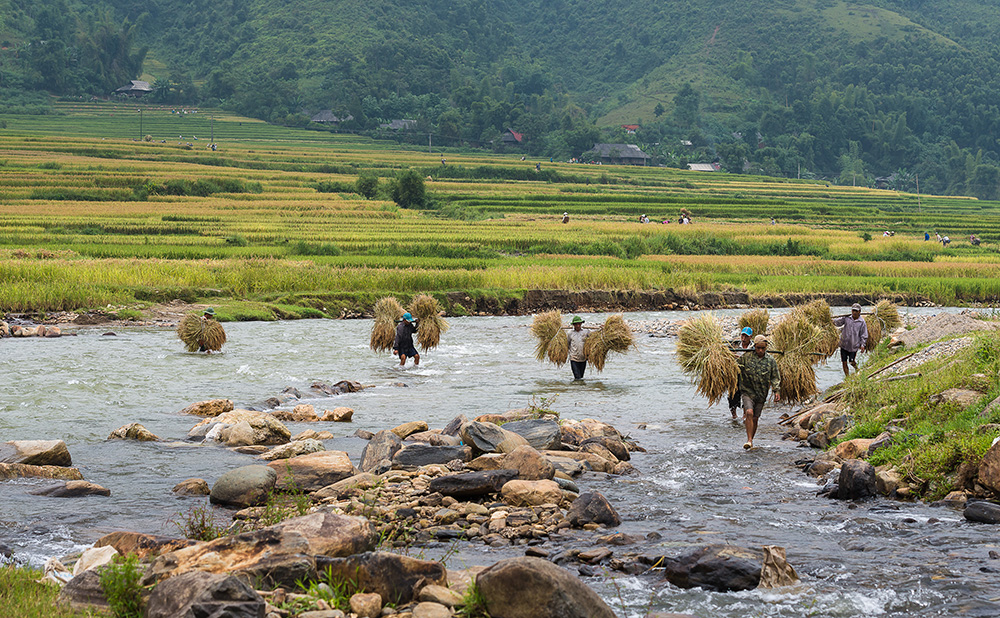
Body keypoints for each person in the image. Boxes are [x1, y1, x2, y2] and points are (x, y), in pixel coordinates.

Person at [736, 335, 781, 450]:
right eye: (758, 348)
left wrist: (776, 391)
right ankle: (749, 440)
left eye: (763, 348)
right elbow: (735, 367)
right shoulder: (746, 357)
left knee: (755, 418)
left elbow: (775, 377)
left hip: (761, 393)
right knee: (749, 412)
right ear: (754, 347)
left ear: (766, 347)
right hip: (747, 391)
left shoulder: (770, 361)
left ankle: (751, 439)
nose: (760, 350)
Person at [833, 303, 868, 377]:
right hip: (844, 344)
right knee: (844, 362)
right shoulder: (847, 318)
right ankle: (847, 377)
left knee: (851, 361)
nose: (854, 312)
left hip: (853, 346)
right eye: (853, 310)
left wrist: (863, 345)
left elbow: (864, 334)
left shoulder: (862, 322)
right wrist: (830, 320)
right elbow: (838, 322)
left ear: (859, 312)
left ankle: (857, 369)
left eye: (856, 311)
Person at [728, 327, 754, 419]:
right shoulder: (734, 345)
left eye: (746, 336)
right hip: (735, 373)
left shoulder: (754, 347)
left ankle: (744, 415)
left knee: (746, 394)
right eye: (742, 335)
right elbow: (727, 353)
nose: (743, 338)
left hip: (747, 374)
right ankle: (734, 416)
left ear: (750, 337)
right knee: (733, 394)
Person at [567, 316, 590, 380]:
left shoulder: (586, 332)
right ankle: (577, 386)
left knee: (581, 377)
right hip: (574, 358)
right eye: (576, 324)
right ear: (573, 325)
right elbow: (568, 344)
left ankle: (580, 386)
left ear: (581, 324)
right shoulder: (570, 333)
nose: (578, 325)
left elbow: (592, 339)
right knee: (577, 377)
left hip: (583, 358)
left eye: (579, 324)